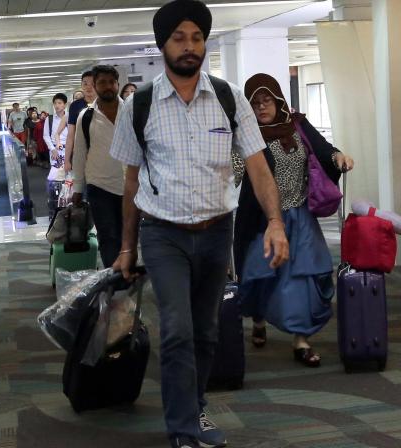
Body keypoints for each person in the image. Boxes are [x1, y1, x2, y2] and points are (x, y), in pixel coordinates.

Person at [109, 1, 289, 447]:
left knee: (207, 332)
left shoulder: (229, 99)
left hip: (216, 233)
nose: (189, 47)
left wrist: (275, 223)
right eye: (178, 38)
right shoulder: (141, 106)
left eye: (196, 38)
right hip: (163, 233)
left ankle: (195, 405)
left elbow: (258, 165)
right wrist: (127, 248)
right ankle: (184, 430)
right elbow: (131, 183)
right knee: (177, 330)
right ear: (163, 44)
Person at [234, 73, 355, 367]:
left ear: (278, 101)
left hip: (300, 214)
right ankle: (260, 319)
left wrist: (337, 155)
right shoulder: (247, 135)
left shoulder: (297, 125)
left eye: (267, 101)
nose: (262, 108)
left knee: (304, 275)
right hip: (262, 220)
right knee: (260, 275)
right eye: (255, 104)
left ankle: (301, 340)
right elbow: (234, 171)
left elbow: (322, 147)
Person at [71, 65, 125, 268]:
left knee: (128, 235)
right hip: (99, 186)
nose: (108, 86)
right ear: (94, 85)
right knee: (108, 234)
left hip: (130, 186)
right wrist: (78, 187)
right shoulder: (86, 116)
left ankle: (126, 274)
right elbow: (80, 154)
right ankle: (114, 279)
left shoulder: (132, 111)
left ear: (118, 84)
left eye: (112, 82)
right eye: (102, 82)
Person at [58, 71, 97, 172]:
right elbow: (71, 135)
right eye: (85, 84)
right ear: (81, 86)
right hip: (81, 152)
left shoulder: (104, 103)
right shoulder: (75, 106)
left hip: (102, 151)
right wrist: (67, 161)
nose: (89, 87)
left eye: (93, 84)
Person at [43, 93, 69, 218]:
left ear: (65, 104)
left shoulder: (70, 117)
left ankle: (68, 206)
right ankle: (54, 207)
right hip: (55, 151)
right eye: (55, 103)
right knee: (55, 178)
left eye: (59, 103)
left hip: (68, 151)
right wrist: (52, 149)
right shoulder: (50, 119)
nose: (57, 106)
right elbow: (46, 135)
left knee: (68, 177)